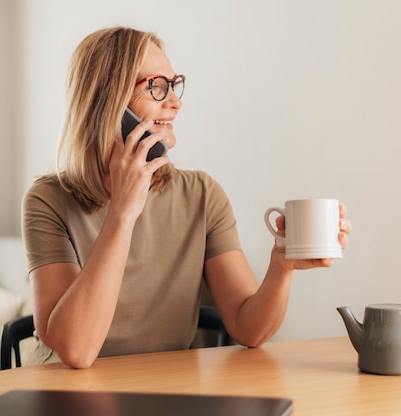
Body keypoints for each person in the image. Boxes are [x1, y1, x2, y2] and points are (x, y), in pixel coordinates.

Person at [21, 26, 352, 369]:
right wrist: (123, 212)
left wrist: (282, 267)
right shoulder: (47, 201)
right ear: (109, 104)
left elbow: (249, 328)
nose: (176, 103)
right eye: (157, 87)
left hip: (168, 388)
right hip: (65, 390)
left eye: (174, 85)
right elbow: (76, 351)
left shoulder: (202, 196)